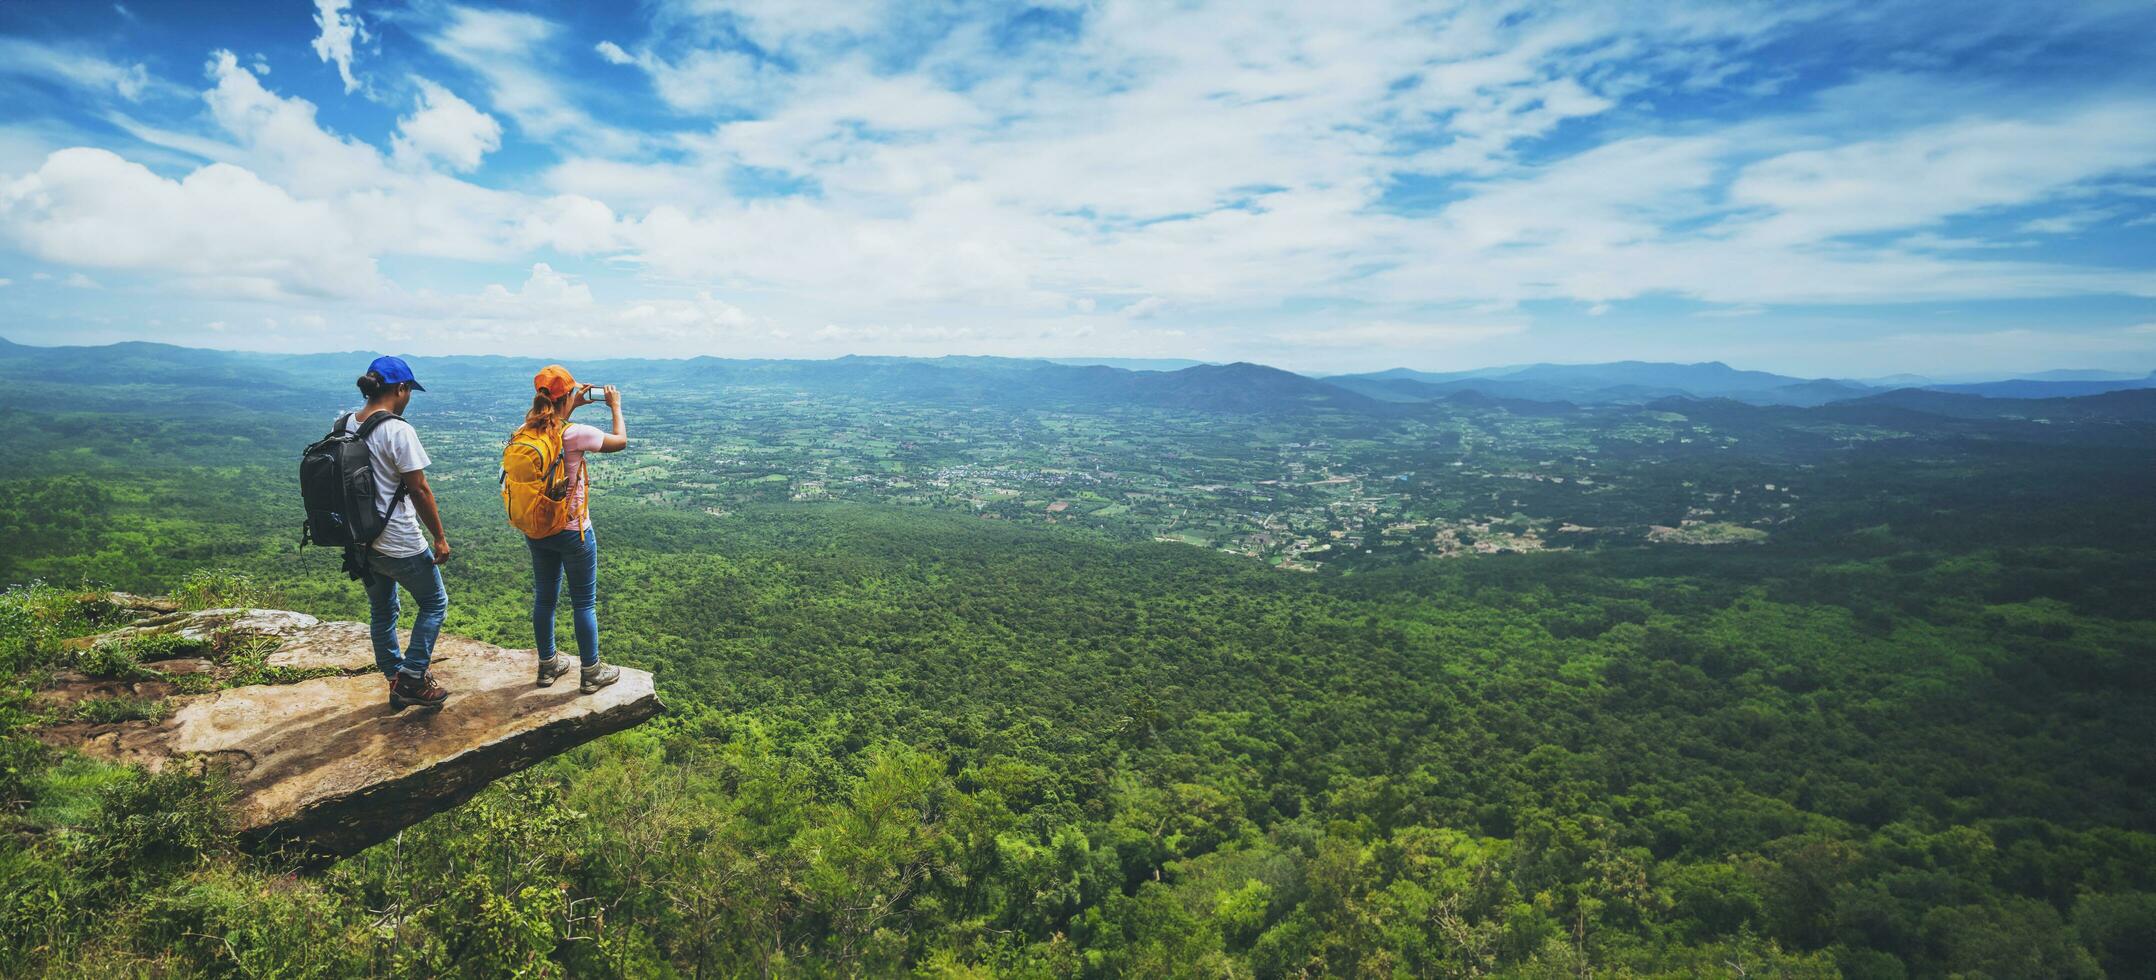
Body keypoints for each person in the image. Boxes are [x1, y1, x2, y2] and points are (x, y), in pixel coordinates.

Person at [346, 355, 452, 709]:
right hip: (399, 542)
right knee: (435, 603)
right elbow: (419, 489)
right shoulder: (397, 430)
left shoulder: (344, 422)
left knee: (382, 610)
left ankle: (395, 677)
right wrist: (439, 536)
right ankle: (412, 677)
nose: (409, 399)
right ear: (401, 389)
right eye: (409, 392)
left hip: (360, 541)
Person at [523, 365, 627, 694]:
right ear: (567, 396)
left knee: (545, 598)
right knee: (583, 603)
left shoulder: (526, 431)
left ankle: (547, 665)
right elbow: (620, 441)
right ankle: (592, 671)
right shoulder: (575, 433)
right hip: (573, 531)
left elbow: (553, 416)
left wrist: (570, 403)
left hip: (538, 529)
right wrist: (615, 406)